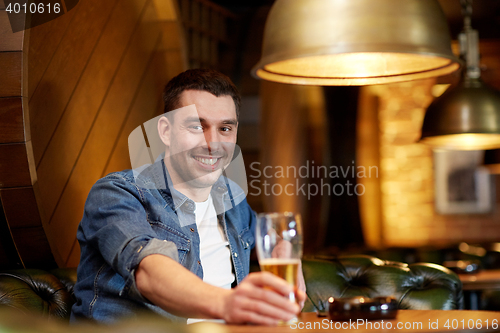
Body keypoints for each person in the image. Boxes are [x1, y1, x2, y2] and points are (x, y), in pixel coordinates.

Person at [71, 69, 306, 325]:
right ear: (165, 131)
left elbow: (275, 240)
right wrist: (228, 304)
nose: (213, 143)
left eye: (225, 128)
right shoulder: (116, 193)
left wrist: (287, 255)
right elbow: (149, 271)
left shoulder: (233, 200)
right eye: (196, 126)